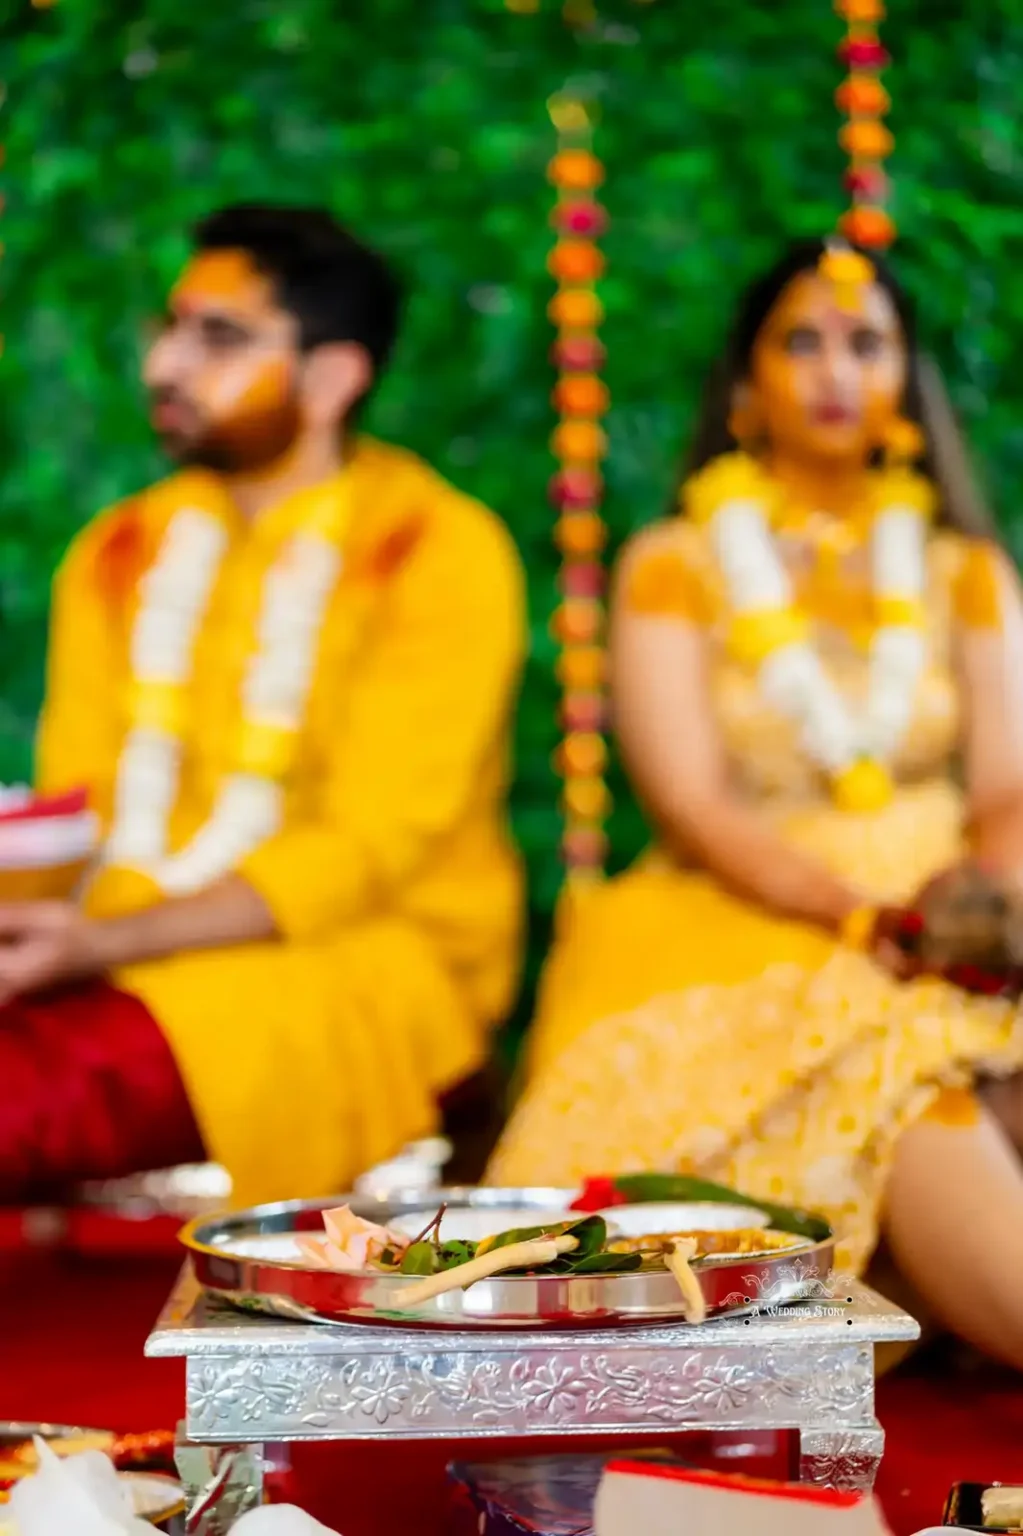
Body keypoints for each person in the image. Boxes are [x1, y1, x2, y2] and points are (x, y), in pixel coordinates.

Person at [489, 236, 1023, 1369]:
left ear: (905, 379)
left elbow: (1008, 786)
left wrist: (987, 901)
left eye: (866, 342)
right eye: (803, 341)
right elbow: (693, 804)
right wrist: (865, 921)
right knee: (906, 1075)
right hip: (747, 911)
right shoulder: (678, 561)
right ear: (746, 386)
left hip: (956, 897)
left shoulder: (961, 568)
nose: (837, 370)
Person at [0, 204, 526, 1207]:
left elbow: (363, 853)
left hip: (350, 968)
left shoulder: (434, 551)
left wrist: (105, 947)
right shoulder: (118, 552)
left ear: (333, 379)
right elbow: (88, 809)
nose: (165, 365)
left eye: (220, 337)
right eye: (171, 327)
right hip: (113, 944)